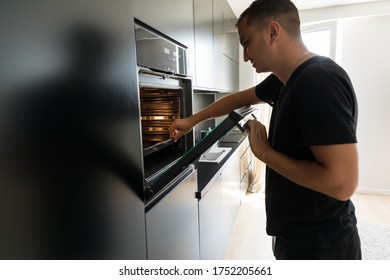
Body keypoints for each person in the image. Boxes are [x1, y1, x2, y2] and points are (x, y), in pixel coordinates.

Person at [168, 0, 361, 260]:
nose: (245, 55)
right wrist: (191, 120)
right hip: (295, 236)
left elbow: (342, 184)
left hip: (322, 245)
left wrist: (265, 153)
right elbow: (238, 99)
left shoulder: (318, 80)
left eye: (246, 42)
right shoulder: (286, 80)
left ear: (273, 32)